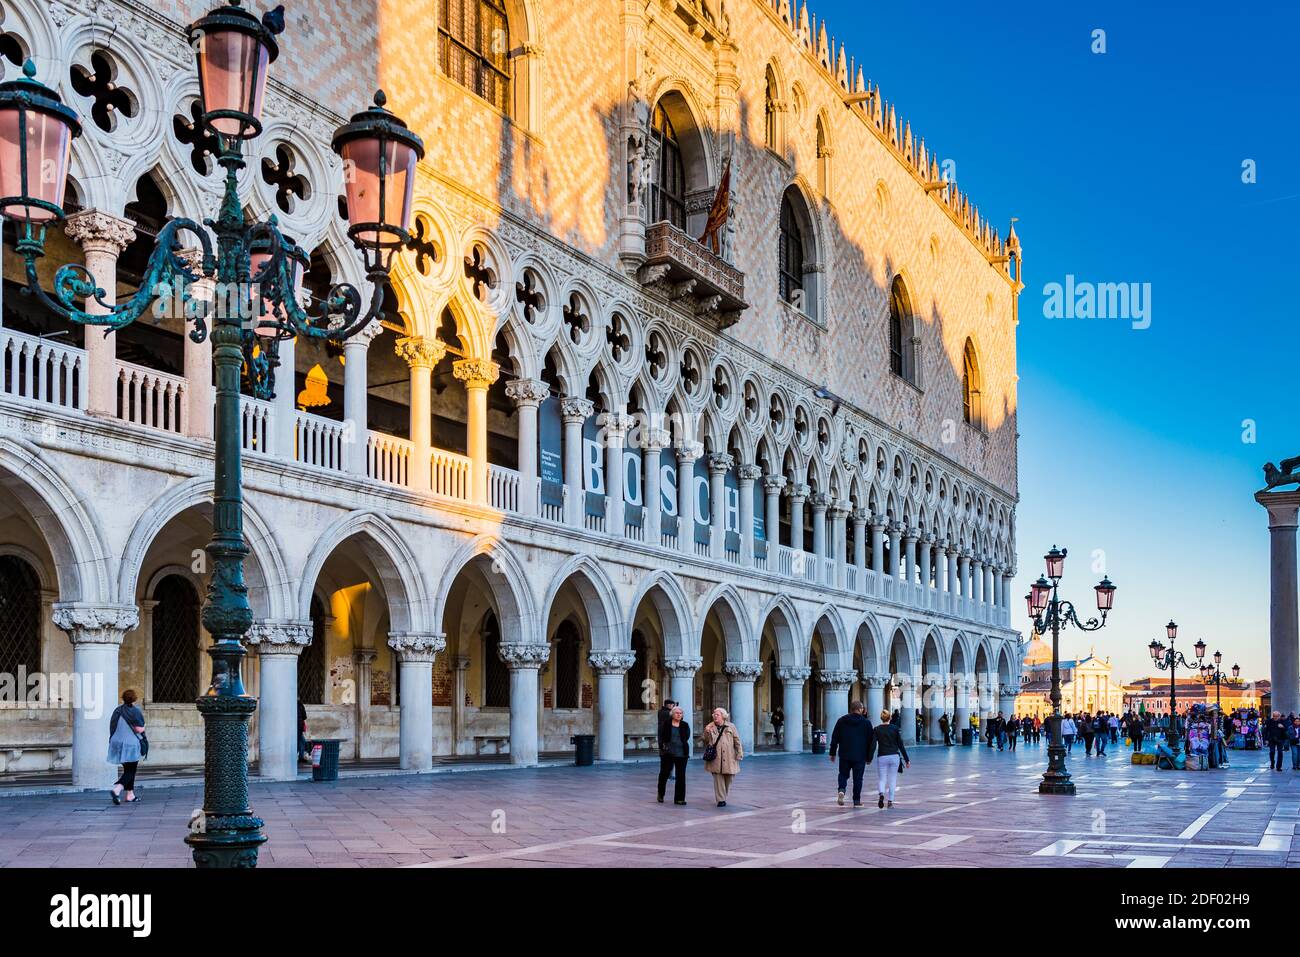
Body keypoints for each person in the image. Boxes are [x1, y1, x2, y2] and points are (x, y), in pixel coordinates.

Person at [829, 700, 875, 807]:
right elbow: (871, 742)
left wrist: (832, 753)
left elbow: (835, 737)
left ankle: (841, 790)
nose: (863, 709)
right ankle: (856, 801)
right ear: (859, 709)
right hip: (860, 756)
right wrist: (869, 757)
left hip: (845, 754)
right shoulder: (866, 723)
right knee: (858, 778)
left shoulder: (841, 720)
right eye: (862, 708)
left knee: (843, 774)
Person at [108, 689, 146, 805]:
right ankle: (117, 789)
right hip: (131, 744)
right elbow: (138, 729)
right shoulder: (135, 711)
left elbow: (112, 725)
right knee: (131, 770)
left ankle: (130, 795)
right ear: (134, 699)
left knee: (128, 769)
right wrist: (144, 727)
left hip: (117, 743)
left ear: (123, 698)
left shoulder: (117, 710)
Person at [703, 707, 744, 807]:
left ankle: (723, 795)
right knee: (718, 779)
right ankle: (721, 799)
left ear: (723, 716)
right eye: (714, 714)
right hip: (716, 758)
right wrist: (707, 732)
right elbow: (705, 741)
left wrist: (739, 753)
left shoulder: (731, 726)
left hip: (730, 757)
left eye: (717, 714)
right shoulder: (710, 727)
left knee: (729, 777)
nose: (715, 716)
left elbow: (737, 741)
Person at [870, 708, 909, 808]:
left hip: (882, 756)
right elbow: (900, 745)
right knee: (892, 779)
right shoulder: (895, 728)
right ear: (890, 718)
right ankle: (890, 801)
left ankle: (881, 794)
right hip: (894, 756)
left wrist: (869, 758)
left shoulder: (877, 729)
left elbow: (873, 745)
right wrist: (907, 759)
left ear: (881, 718)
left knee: (882, 778)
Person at [658, 705, 690, 805]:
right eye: (677, 713)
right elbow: (661, 736)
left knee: (681, 776)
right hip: (668, 753)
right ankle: (661, 793)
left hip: (681, 753)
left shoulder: (685, 725)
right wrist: (662, 748)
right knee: (665, 773)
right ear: (672, 714)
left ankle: (679, 798)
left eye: (680, 713)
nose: (679, 715)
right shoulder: (666, 724)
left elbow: (687, 736)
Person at [298, 699, 311, 763]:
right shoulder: (300, 704)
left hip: (293, 727)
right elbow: (304, 716)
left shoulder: (289, 704)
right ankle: (300, 757)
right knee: (302, 742)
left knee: (300, 741)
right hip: (299, 726)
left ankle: (300, 756)